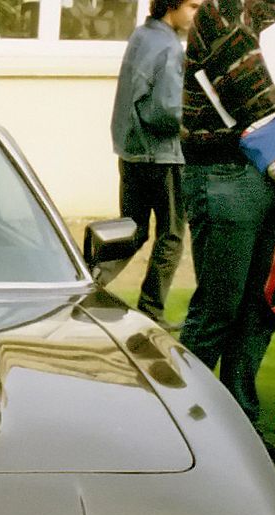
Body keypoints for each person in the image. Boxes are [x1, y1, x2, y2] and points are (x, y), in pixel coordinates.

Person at [179, 0, 275, 461]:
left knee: (259, 308)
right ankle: (181, 428)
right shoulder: (221, 11)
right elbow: (260, 88)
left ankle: (241, 429)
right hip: (227, 170)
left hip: (271, 171)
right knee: (219, 307)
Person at [98, 0, 203, 329]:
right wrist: (198, 118)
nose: (196, 14)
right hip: (162, 155)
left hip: (130, 150)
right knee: (171, 234)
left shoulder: (141, 36)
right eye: (193, 6)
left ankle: (85, 279)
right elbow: (166, 112)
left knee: (132, 229)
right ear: (172, 6)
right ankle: (151, 308)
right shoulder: (171, 48)